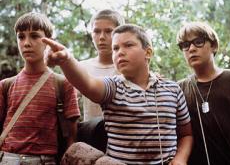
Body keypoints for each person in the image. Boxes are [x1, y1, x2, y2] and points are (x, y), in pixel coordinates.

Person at [43, 24, 193, 165]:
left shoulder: (173, 90)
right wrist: (66, 60)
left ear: (148, 52)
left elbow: (186, 134)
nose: (120, 52)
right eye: (115, 48)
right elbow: (87, 84)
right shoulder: (113, 87)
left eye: (128, 45)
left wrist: (180, 158)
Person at [0, 12, 80, 165]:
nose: (26, 43)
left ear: (48, 41)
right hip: (7, 158)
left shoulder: (63, 83)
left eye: (34, 36)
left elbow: (72, 135)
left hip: (44, 160)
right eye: (21, 37)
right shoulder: (6, 85)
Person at [176, 21, 230, 165]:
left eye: (198, 42)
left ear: (214, 45)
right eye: (185, 45)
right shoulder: (179, 89)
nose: (191, 48)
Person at [80, 9, 125, 121]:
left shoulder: (128, 68)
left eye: (108, 31)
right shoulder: (82, 68)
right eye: (96, 31)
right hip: (91, 135)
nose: (101, 37)